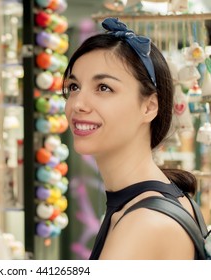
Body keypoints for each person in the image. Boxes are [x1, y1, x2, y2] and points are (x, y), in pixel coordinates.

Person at [62, 17, 207, 259]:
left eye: (104, 88)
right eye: (74, 87)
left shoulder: (143, 224)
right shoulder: (165, 198)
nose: (78, 104)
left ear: (149, 107)